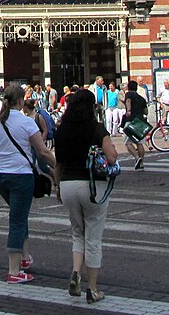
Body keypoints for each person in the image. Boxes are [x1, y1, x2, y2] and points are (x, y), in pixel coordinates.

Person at [0, 84, 56, 284]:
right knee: (17, 220)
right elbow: (43, 152)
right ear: (21, 101)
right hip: (21, 176)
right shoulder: (27, 123)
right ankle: (14, 271)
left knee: (19, 214)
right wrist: (59, 166)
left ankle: (24, 258)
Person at [52, 88, 116, 305]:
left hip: (68, 184)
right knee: (94, 237)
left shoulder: (61, 130)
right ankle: (93, 288)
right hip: (92, 186)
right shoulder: (97, 128)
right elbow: (112, 156)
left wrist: (58, 187)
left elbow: (57, 163)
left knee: (77, 233)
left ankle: (76, 272)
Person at [123, 79, 149, 170]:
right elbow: (146, 112)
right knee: (140, 143)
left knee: (128, 142)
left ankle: (137, 157)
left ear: (129, 87)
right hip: (140, 121)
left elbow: (128, 101)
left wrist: (129, 110)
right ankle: (141, 163)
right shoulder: (141, 98)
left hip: (131, 120)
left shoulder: (128, 94)